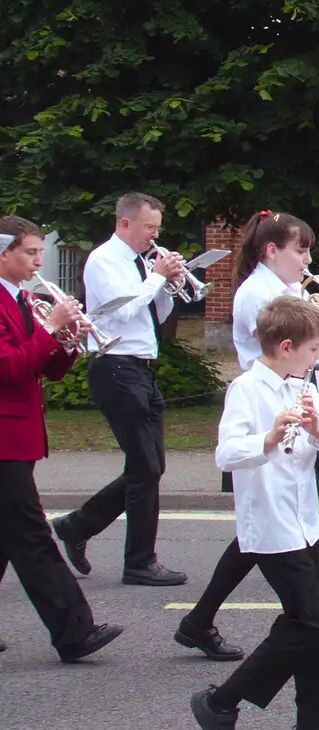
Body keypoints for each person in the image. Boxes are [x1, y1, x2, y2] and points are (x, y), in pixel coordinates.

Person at [175, 211, 319, 672]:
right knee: (290, 537)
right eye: (301, 250)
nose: (308, 259)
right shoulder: (258, 293)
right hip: (272, 423)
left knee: (259, 537)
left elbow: (317, 356)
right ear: (272, 251)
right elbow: (297, 353)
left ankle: (198, 621)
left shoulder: (289, 290)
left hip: (300, 416)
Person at [190, 296, 319, 730]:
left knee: (312, 624)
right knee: (310, 624)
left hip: (307, 520)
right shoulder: (247, 389)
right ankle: (220, 702)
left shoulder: (302, 383)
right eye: (314, 349)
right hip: (270, 525)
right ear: (286, 346)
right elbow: (226, 455)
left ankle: (316, 726)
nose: (318, 358)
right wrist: (267, 439)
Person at [0, 217, 124, 663]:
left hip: (18, 432)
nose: (38, 261)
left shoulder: (23, 299)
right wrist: (51, 329)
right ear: (3, 254)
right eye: (30, 252)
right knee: (32, 536)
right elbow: (8, 367)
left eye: (37, 252)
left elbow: (44, 369)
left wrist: (69, 343)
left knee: (6, 535)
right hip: (2, 439)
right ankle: (75, 631)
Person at [51, 192, 188, 586]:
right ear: (125, 223)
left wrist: (167, 286)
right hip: (115, 367)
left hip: (142, 367)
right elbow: (124, 308)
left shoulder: (139, 263)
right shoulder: (103, 261)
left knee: (151, 466)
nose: (154, 235)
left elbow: (153, 314)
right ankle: (139, 562)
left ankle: (79, 525)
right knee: (146, 467)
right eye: (149, 227)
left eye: (157, 228)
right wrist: (157, 277)